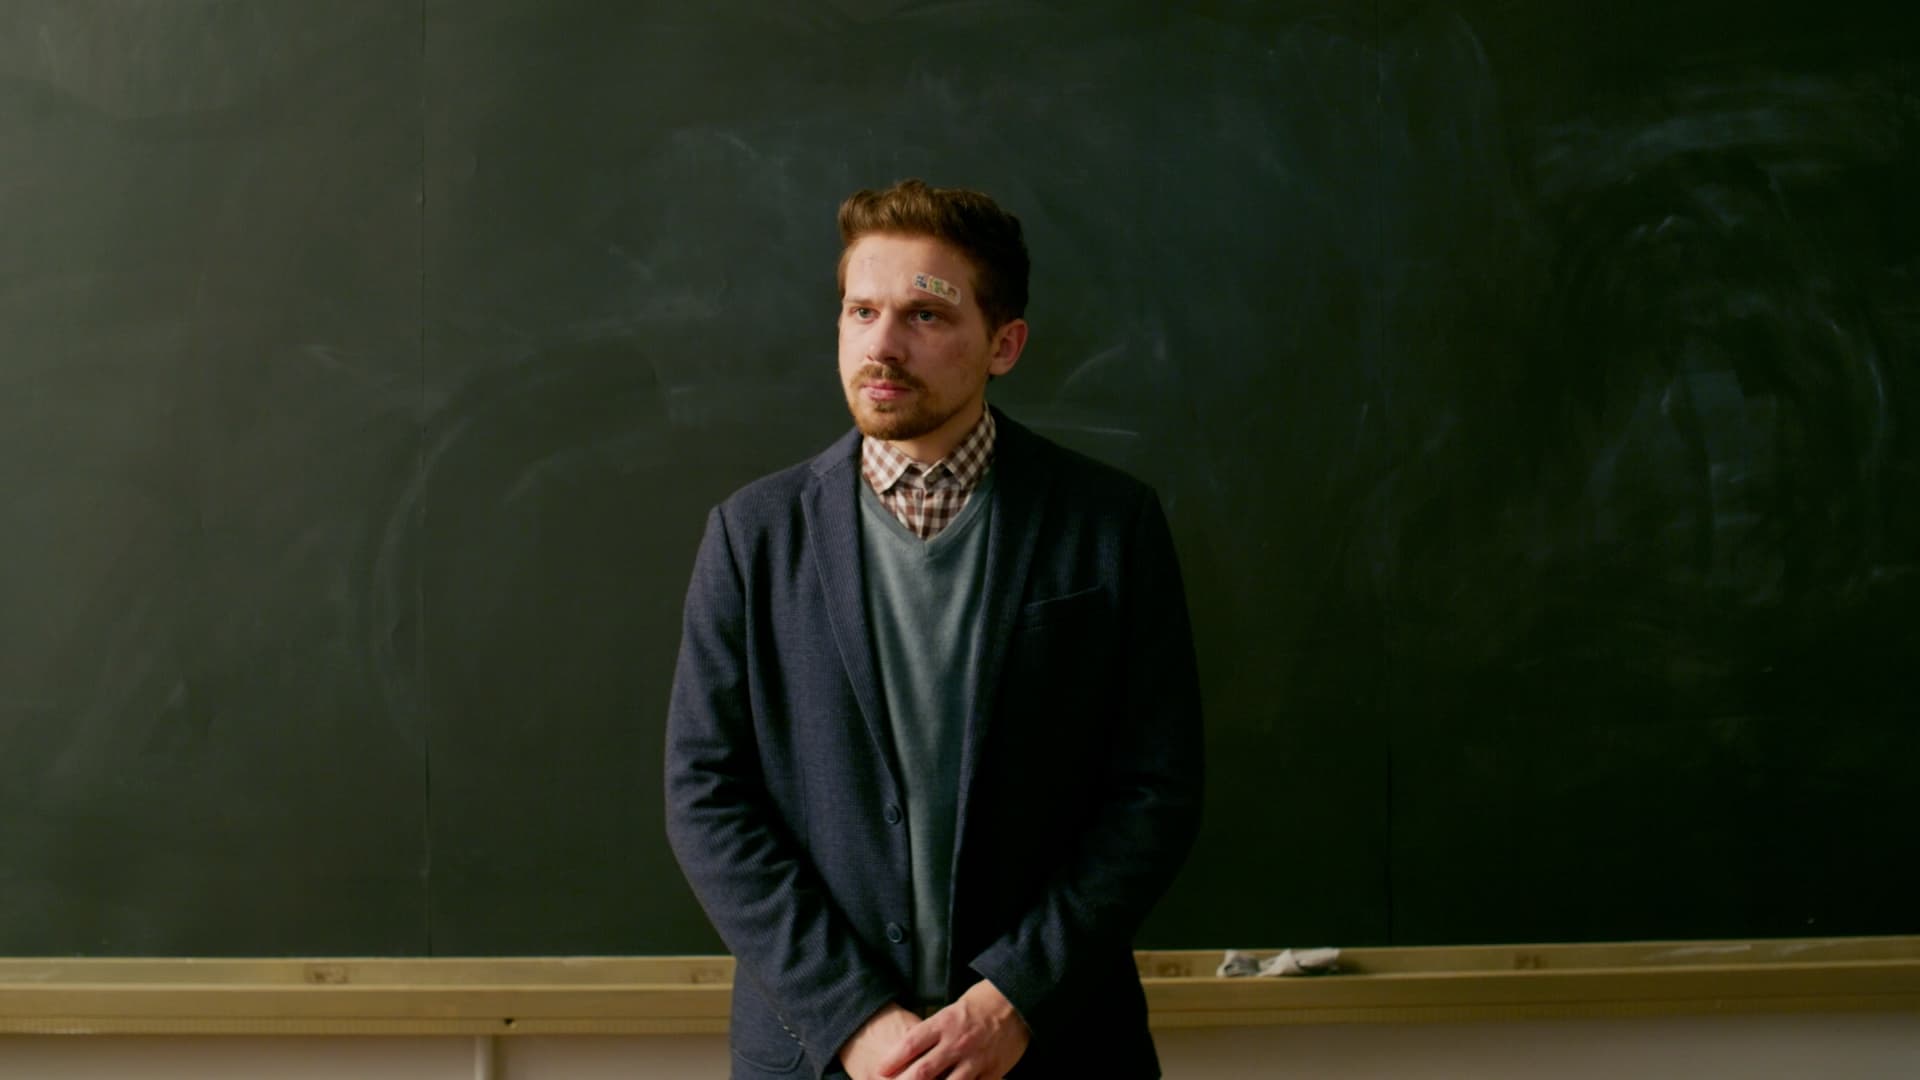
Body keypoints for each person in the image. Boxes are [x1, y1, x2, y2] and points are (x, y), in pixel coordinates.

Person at [665, 179, 1203, 1080]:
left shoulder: (1109, 526)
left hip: (1057, 1045)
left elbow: (1155, 792)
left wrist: (1013, 998)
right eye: (861, 310)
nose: (882, 344)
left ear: (1004, 345)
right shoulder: (752, 536)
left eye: (924, 314)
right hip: (820, 1055)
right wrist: (852, 1016)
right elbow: (706, 797)